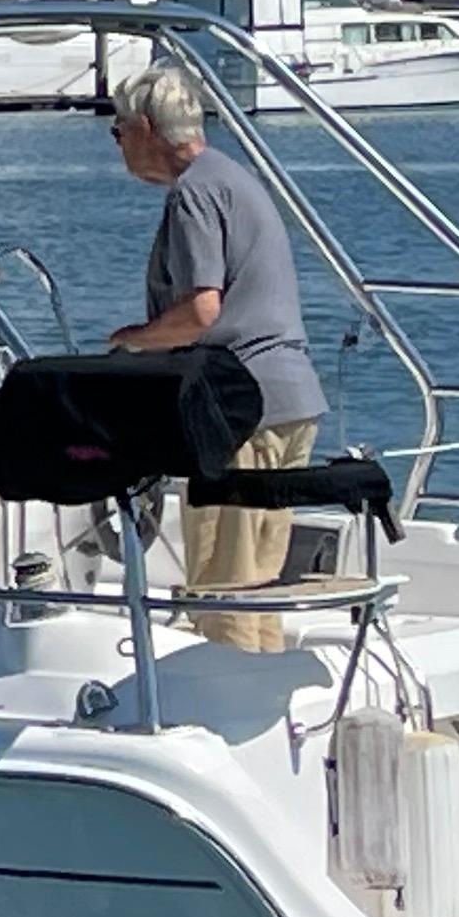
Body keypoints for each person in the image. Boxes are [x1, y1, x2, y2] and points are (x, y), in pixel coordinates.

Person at [104, 63, 325, 648]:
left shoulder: (194, 194)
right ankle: (258, 698)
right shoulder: (232, 178)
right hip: (288, 400)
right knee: (255, 584)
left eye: (117, 130)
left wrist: (131, 340)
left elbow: (200, 313)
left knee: (221, 588)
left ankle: (221, 713)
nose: (119, 143)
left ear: (146, 127)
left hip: (238, 410)